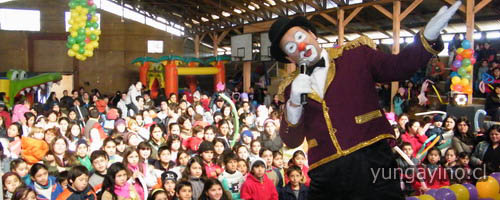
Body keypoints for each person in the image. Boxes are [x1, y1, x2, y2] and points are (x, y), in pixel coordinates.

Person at [269, 2, 460, 198]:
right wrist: (293, 104)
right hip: (326, 174)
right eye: (291, 46)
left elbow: (399, 67)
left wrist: (426, 38)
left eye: (300, 37)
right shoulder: (291, 88)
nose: (301, 46)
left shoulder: (356, 55)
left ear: (312, 34)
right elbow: (291, 140)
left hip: (372, 161)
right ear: (289, 57)